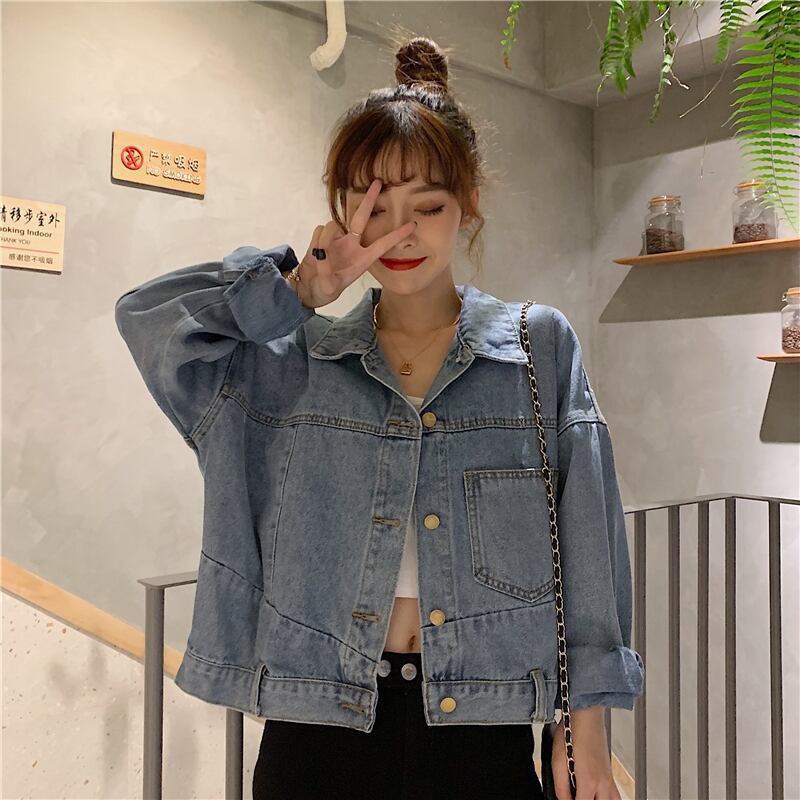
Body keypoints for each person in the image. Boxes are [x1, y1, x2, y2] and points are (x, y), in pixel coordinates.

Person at [115, 35, 644, 800]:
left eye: (427, 206)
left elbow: (587, 543)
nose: (401, 233)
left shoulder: (536, 350)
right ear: (341, 210)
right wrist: (296, 290)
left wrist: (585, 733)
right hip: (316, 734)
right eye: (374, 207)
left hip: (482, 733)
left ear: (468, 204)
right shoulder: (292, 360)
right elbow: (148, 321)